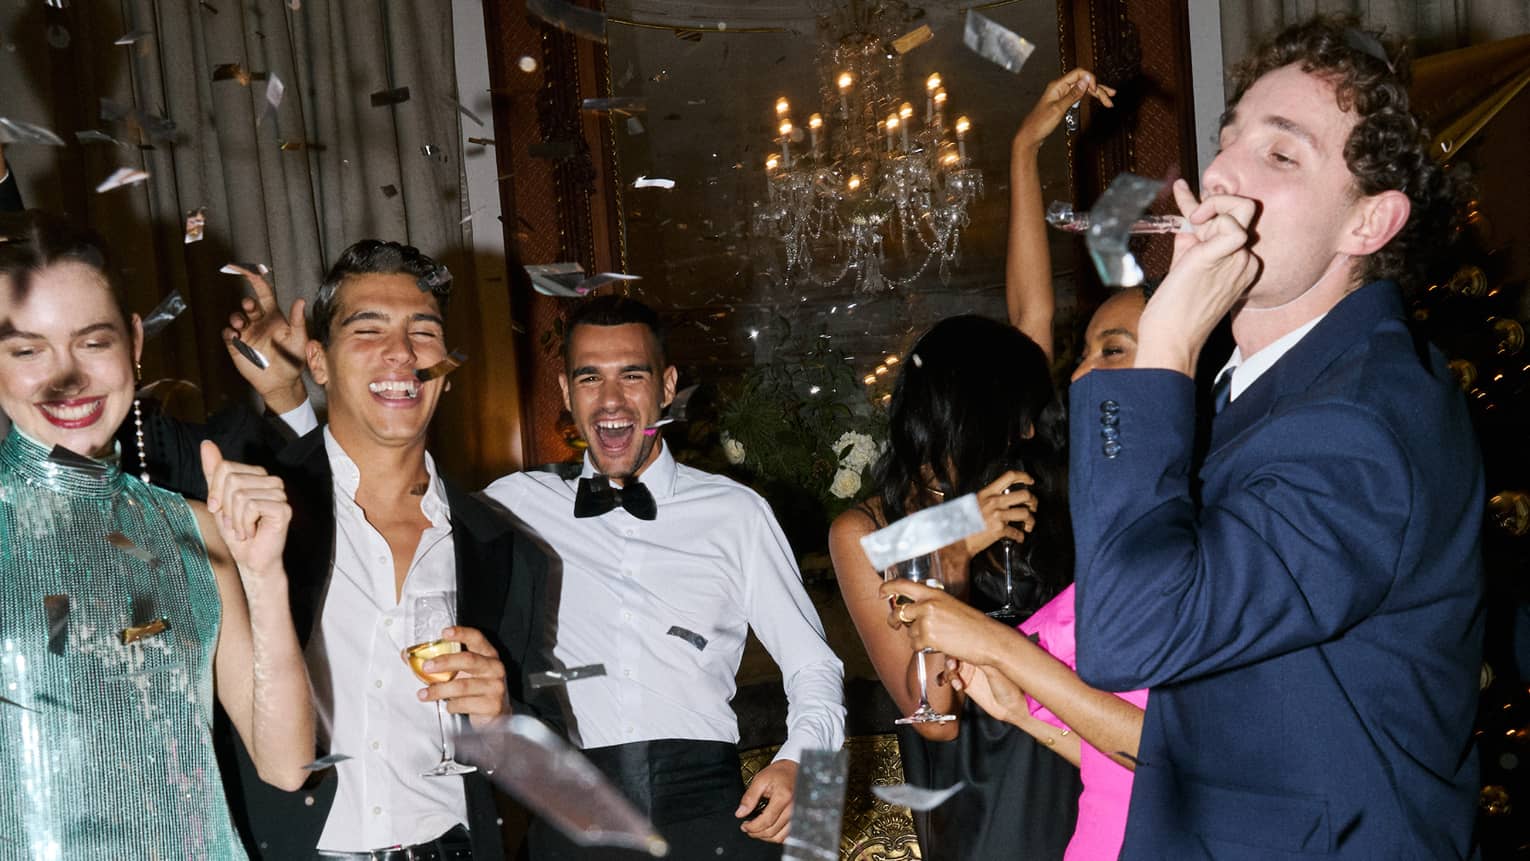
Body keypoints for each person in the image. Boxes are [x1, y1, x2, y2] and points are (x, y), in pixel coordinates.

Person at [1068, 17, 1484, 858]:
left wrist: (1164, 346)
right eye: (1229, 141)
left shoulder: (1363, 423)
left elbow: (1126, 634)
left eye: (1282, 153)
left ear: (1368, 224)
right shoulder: (1278, 382)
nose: (1221, 171)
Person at [208, 241, 559, 859]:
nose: (400, 352)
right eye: (367, 329)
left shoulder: (507, 552)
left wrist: (502, 719)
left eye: (423, 333)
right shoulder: (249, 511)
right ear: (316, 361)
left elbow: (542, 775)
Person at [480, 294, 846, 858]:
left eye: (632, 376)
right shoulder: (512, 505)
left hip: (711, 815)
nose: (610, 400)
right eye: (589, 378)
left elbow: (814, 663)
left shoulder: (736, 513)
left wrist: (802, 762)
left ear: (667, 386)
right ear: (564, 392)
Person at [0, 211, 313, 858]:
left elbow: (285, 763)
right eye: (27, 350)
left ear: (136, 342)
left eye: (93, 341)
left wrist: (264, 576)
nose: (67, 376)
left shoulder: (193, 527)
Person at [830, 314, 1084, 860]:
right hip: (979, 795)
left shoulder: (1032, 497)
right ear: (977, 410)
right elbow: (935, 717)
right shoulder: (866, 534)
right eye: (1017, 412)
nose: (1029, 432)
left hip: (1072, 755)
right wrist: (955, 550)